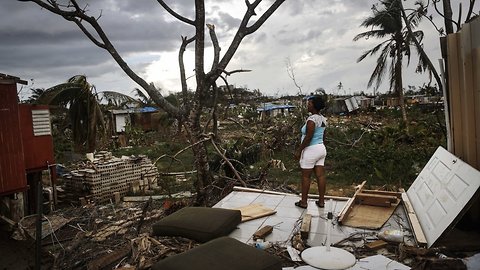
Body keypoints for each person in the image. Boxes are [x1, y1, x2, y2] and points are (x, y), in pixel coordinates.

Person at [294, 95, 327, 209]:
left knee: (306, 177)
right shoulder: (323, 119)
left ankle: (303, 202)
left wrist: (299, 150)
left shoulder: (311, 120)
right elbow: (324, 135)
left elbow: (308, 137)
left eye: (309, 103)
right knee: (320, 176)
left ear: (314, 105)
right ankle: (321, 202)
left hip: (311, 150)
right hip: (321, 148)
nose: (307, 105)